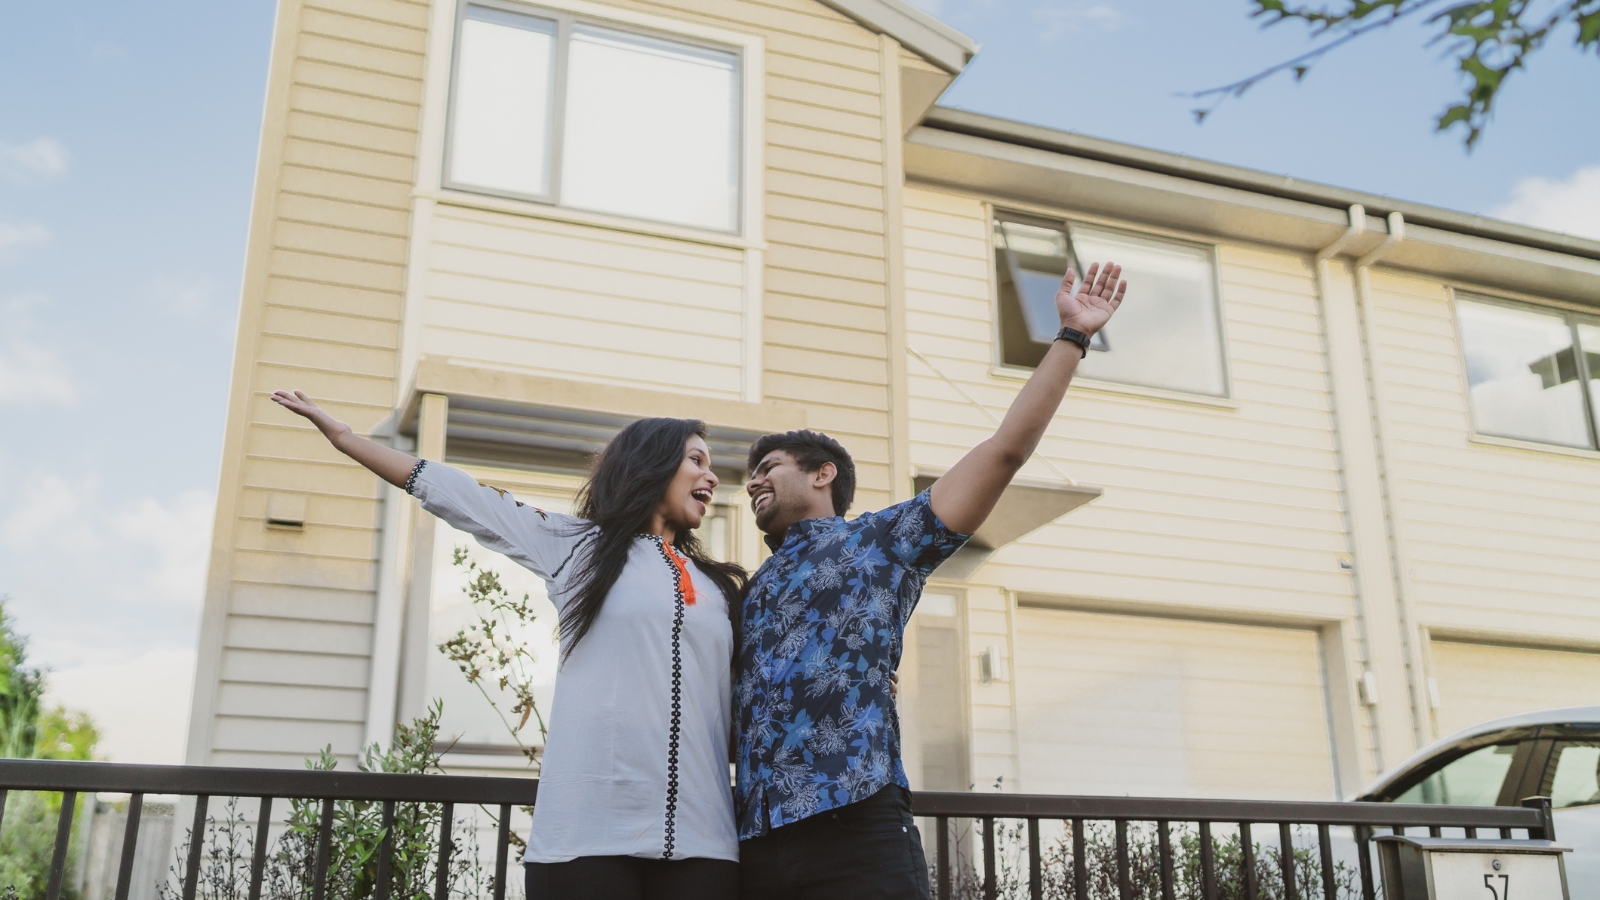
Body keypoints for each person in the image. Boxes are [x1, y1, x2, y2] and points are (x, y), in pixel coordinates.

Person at [733, 262, 1128, 899]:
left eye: (768, 467)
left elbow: (1004, 451)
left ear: (822, 474)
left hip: (856, 833)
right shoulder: (748, 593)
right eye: (748, 473)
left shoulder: (881, 543)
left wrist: (1071, 337)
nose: (751, 481)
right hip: (752, 845)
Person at [268, 395, 747, 900]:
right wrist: (349, 440)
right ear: (651, 465)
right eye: (696, 460)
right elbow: (464, 497)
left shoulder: (720, 587)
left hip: (704, 841)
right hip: (586, 837)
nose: (711, 476)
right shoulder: (578, 548)